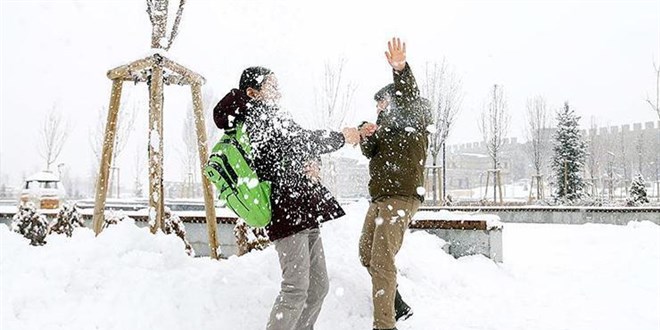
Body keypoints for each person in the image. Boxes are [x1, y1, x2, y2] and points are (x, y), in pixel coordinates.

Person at [213, 66, 360, 330]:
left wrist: (313, 163)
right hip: (285, 210)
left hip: (303, 208)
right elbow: (298, 141)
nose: (279, 92)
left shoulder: (274, 116)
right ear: (252, 92)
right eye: (272, 86)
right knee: (295, 289)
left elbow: (295, 149)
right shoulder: (255, 117)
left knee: (318, 287)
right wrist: (341, 138)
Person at [357, 38, 432, 330]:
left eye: (382, 102)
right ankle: (398, 305)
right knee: (367, 253)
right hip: (380, 198)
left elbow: (409, 97)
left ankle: (384, 325)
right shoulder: (386, 128)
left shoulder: (415, 115)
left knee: (382, 260)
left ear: (396, 99)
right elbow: (368, 151)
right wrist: (367, 133)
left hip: (400, 197)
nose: (379, 108)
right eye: (377, 105)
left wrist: (400, 69)